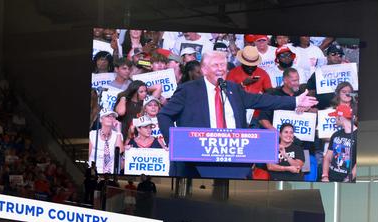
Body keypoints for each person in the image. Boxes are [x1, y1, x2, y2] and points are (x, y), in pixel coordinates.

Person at [157, 50, 317, 143]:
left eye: (223, 65)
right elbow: (164, 115)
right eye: (215, 65)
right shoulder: (188, 90)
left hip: (232, 154)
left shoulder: (233, 89)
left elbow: (262, 100)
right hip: (197, 157)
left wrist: (295, 101)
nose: (221, 69)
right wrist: (174, 141)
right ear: (204, 69)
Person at [321, 104, 357, 182]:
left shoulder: (358, 135)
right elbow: (327, 157)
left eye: (335, 117)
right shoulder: (336, 134)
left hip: (348, 179)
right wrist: (325, 176)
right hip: (331, 177)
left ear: (340, 117)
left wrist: (348, 179)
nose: (334, 119)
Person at [88, 109, 123, 174]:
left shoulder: (118, 135)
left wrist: (118, 131)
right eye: (107, 116)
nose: (111, 118)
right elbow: (88, 155)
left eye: (113, 116)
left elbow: (120, 151)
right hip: (95, 174)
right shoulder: (92, 134)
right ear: (101, 120)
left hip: (112, 175)